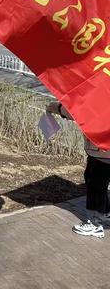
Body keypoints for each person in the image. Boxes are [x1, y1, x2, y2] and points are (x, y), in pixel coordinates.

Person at [47, 101, 110, 238]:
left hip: (103, 151)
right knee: (93, 179)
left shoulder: (101, 95)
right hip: (100, 150)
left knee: (96, 185)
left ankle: (94, 224)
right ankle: (104, 211)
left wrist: (56, 107)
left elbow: (80, 112)